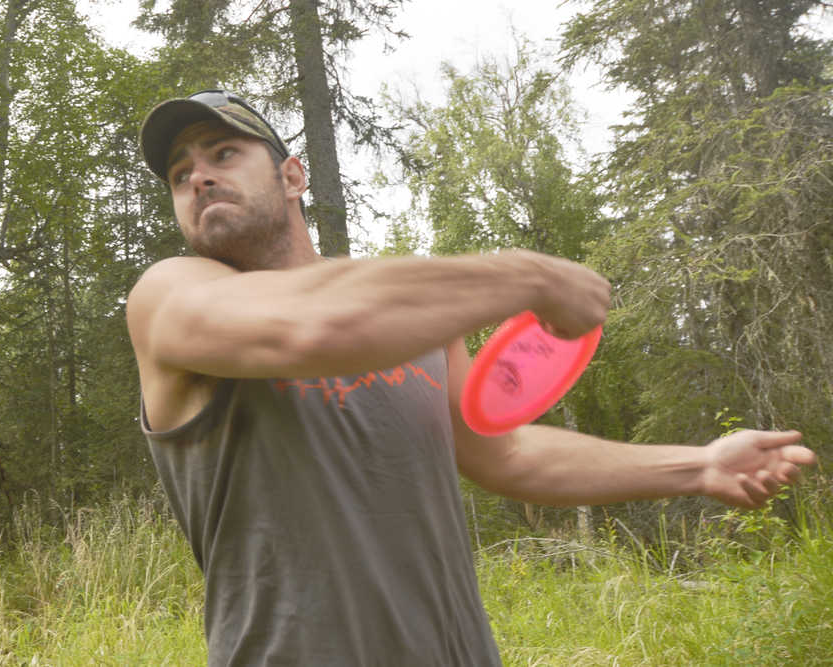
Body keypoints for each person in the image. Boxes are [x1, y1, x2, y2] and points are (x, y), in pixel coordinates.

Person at [127, 89, 817, 666]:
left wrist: (697, 464)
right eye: (180, 173)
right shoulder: (171, 298)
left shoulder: (412, 318)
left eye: (222, 153)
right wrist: (531, 275)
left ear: (293, 176)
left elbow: (508, 454)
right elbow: (311, 326)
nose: (198, 177)